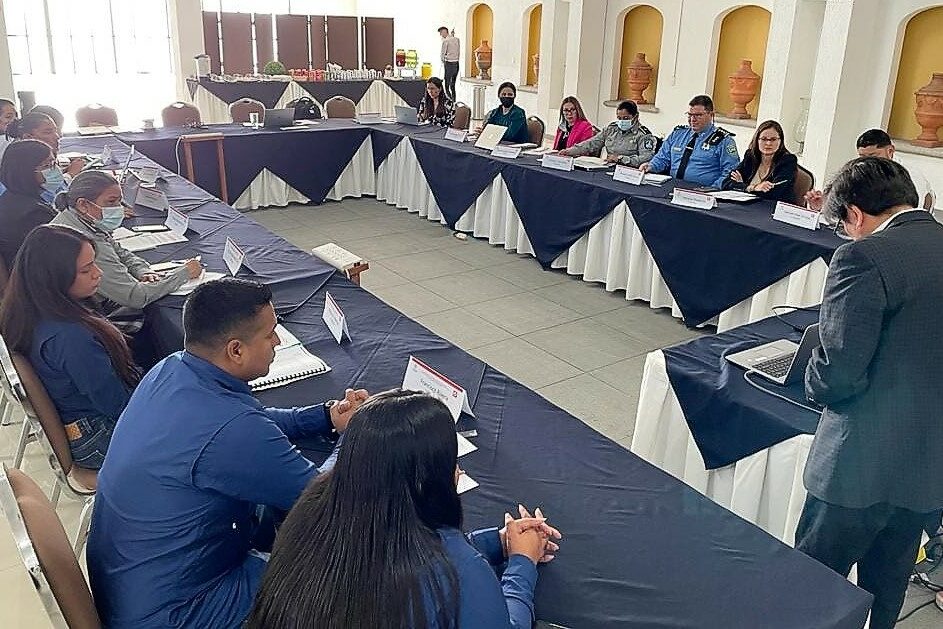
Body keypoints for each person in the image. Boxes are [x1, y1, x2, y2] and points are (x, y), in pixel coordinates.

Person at [87, 277, 371, 628]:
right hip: (179, 611)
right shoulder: (233, 429)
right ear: (236, 350)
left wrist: (324, 417)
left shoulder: (171, 369)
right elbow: (327, 498)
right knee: (353, 578)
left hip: (133, 585)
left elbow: (250, 420)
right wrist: (356, 434)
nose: (277, 342)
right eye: (270, 334)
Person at [246, 389, 562, 629]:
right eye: (452, 462)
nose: (458, 471)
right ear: (427, 479)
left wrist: (497, 542)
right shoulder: (461, 570)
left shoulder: (313, 507)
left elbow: (404, 555)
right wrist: (523, 562)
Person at [795, 157, 943, 629]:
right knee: (887, 587)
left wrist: (810, 378)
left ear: (855, 215)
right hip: (927, 464)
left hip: (858, 462)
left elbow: (838, 373)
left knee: (813, 586)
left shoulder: (862, 257)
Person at [0, 225, 138, 470]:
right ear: (54, 277)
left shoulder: (29, 308)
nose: (98, 273)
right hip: (100, 435)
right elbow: (118, 406)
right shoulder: (70, 337)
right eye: (86, 270)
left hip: (83, 424)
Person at [50, 170, 201, 309]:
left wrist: (141, 270)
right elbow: (135, 297)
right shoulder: (80, 241)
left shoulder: (78, 219)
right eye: (111, 202)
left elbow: (118, 250)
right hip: (84, 313)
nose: (119, 208)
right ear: (83, 204)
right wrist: (183, 274)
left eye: (120, 201)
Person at [806, 129, 937, 212]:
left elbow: (912, 213)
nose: (867, 162)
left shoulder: (911, 177)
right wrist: (824, 206)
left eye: (873, 156)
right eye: (862, 157)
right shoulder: (859, 171)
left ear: (890, 151)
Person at [640, 94, 739, 188]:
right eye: (690, 115)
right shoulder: (678, 134)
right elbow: (663, 158)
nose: (692, 119)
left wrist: (712, 189)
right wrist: (651, 166)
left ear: (711, 115)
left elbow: (729, 172)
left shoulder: (724, 141)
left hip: (702, 191)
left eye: (698, 115)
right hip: (672, 186)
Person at [0, 139, 58, 268]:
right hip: (34, 273)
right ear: (25, 171)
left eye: (54, 163)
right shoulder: (34, 214)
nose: (55, 170)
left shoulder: (10, 197)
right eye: (47, 166)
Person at [560, 100, 656, 166]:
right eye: (619, 118)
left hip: (629, 173)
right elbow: (591, 144)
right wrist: (569, 151)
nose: (622, 121)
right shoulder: (612, 129)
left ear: (635, 116)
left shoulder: (643, 135)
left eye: (626, 118)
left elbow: (646, 158)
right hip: (608, 169)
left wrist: (621, 159)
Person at [722, 120, 798, 202]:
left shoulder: (788, 161)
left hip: (773, 206)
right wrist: (752, 187)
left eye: (773, 139)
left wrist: (742, 185)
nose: (768, 143)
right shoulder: (750, 156)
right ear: (757, 140)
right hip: (748, 205)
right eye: (764, 139)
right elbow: (726, 183)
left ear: (780, 141)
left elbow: (773, 193)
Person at [6, 111, 84, 179]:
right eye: (48, 132)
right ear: (28, 137)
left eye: (56, 131)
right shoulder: (23, 163)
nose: (57, 136)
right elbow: (49, 189)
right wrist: (71, 174)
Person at [439, 26, 460, 102]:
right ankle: (454, 101)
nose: (441, 35)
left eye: (441, 33)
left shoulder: (445, 41)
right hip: (456, 64)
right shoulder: (457, 39)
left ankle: (450, 102)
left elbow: (442, 54)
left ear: (444, 32)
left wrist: (443, 60)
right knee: (453, 85)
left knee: (446, 86)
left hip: (449, 64)